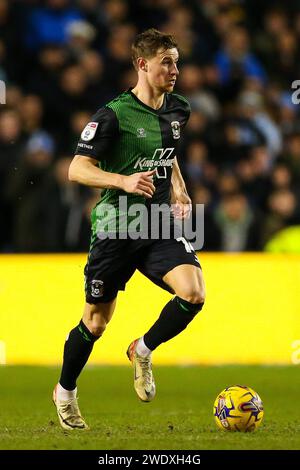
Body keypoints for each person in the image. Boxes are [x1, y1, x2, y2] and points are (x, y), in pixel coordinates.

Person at [52, 28, 206, 430]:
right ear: (142, 64)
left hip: (156, 223)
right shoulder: (113, 115)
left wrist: (179, 189)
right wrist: (121, 180)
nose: (175, 70)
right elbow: (76, 168)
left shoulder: (179, 108)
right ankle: (65, 390)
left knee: (193, 294)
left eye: (176, 61)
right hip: (116, 228)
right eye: (166, 62)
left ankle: (142, 348)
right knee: (96, 323)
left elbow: (167, 156)